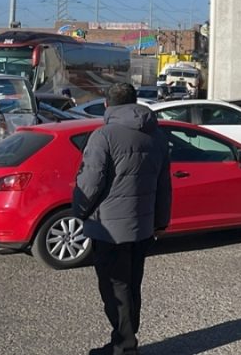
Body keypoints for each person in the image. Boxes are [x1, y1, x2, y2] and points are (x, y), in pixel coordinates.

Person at [73, 82, 172, 355]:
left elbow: (90, 182)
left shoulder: (103, 136)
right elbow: (164, 185)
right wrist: (161, 221)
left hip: (109, 230)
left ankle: (125, 346)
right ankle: (125, 338)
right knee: (131, 285)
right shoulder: (157, 136)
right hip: (142, 228)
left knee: (114, 289)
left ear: (107, 105)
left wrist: (79, 210)